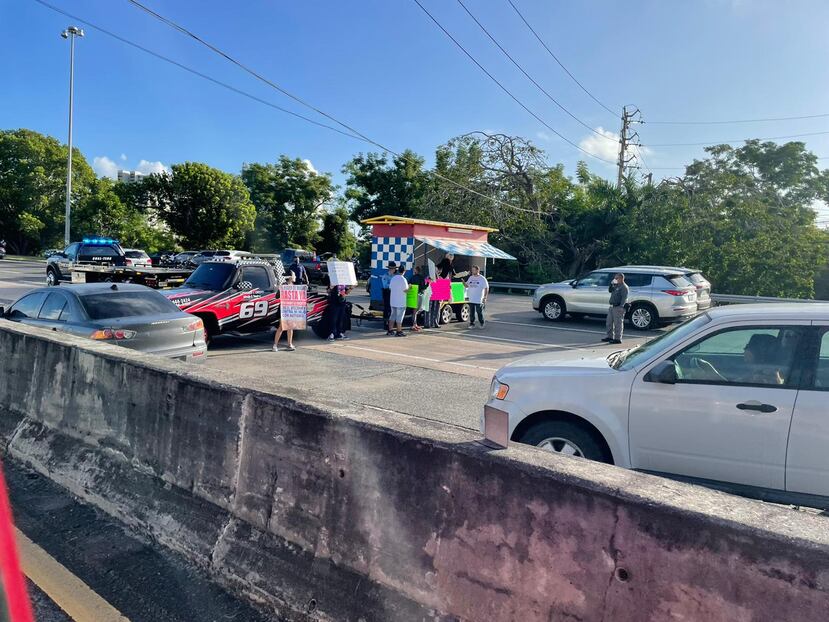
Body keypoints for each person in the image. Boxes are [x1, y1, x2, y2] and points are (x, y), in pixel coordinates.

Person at [273, 273, 298, 352]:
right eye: (294, 275)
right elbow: (277, 296)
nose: (295, 277)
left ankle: (290, 344)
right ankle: (275, 345)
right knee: (281, 327)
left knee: (290, 327)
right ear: (290, 277)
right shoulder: (284, 285)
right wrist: (281, 289)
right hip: (283, 308)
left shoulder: (294, 286)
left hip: (291, 308)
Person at [602, 273, 628, 345]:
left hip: (618, 307)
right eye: (615, 278)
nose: (615, 279)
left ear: (621, 278)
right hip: (612, 306)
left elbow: (624, 298)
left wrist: (621, 307)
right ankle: (610, 336)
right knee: (609, 322)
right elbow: (610, 290)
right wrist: (611, 284)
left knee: (618, 323)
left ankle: (618, 338)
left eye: (617, 278)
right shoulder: (616, 285)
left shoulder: (624, 287)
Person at [388, 268, 410, 337]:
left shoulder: (393, 278)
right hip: (400, 301)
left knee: (392, 315)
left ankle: (390, 330)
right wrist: (410, 287)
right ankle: (399, 331)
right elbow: (405, 290)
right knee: (399, 317)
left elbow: (390, 288)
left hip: (393, 301)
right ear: (404, 271)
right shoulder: (403, 279)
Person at [381, 262, 397, 335]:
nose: (394, 270)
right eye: (393, 268)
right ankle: (385, 323)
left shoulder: (395, 276)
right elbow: (385, 285)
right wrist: (393, 284)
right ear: (390, 269)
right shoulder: (385, 276)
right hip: (387, 293)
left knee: (392, 309)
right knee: (387, 308)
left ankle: (391, 324)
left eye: (394, 268)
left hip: (393, 293)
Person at [409, 266, 426, 331]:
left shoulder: (412, 277)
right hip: (419, 295)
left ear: (416, 271)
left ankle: (415, 324)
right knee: (416, 311)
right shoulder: (421, 277)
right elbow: (423, 287)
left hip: (413, 294)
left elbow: (409, 284)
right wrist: (428, 283)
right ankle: (414, 325)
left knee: (414, 311)